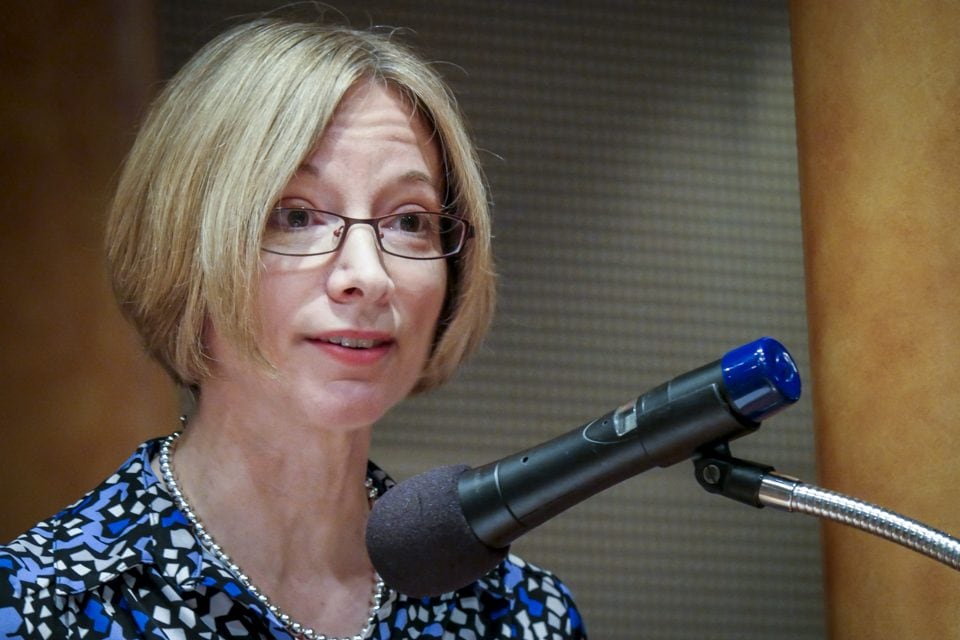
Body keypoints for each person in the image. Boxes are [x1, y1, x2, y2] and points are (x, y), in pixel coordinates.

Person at [0, 16, 586, 640]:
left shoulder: (521, 615)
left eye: (410, 221)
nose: (369, 275)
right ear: (186, 244)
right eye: (296, 214)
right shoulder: (47, 605)